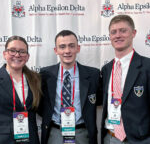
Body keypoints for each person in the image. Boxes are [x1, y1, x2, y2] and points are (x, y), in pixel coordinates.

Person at [39, 30, 102, 144]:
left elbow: (99, 100)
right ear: (56, 50)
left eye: (71, 46)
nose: (67, 51)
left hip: (82, 133)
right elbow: (40, 104)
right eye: (62, 47)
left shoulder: (93, 75)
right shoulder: (45, 74)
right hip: (55, 132)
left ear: (78, 48)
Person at [101, 14, 150, 144]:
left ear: (133, 33)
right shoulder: (105, 69)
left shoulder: (147, 66)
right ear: (110, 36)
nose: (118, 35)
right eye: (114, 32)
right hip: (110, 138)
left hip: (140, 140)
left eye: (123, 31)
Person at [0, 36, 42, 143]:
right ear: (5, 54)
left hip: (31, 139)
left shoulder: (36, 79)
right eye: (12, 51)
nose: (17, 55)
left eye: (22, 51)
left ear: (27, 57)